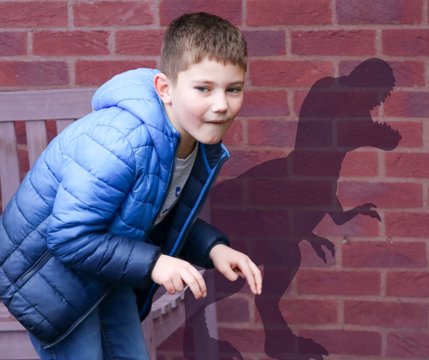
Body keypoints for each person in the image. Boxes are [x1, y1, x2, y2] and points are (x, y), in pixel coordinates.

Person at [0, 12, 262, 360]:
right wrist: (156, 264)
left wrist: (213, 249)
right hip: (50, 278)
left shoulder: (192, 142)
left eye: (233, 89)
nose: (221, 105)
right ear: (165, 89)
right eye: (204, 88)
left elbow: (155, 212)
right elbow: (67, 237)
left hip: (110, 264)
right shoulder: (122, 142)